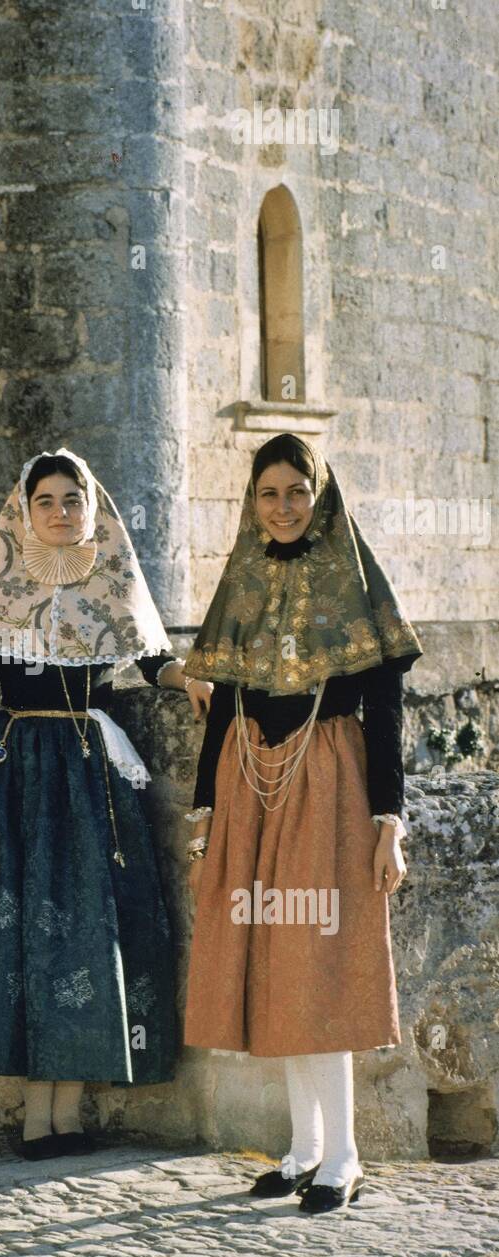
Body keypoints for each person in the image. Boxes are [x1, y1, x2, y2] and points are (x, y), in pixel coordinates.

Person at [0, 448, 208, 1160]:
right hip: (18, 776)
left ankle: (69, 1115)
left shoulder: (112, 585)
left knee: (87, 931)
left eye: (71, 500)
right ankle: (34, 1119)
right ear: (24, 510)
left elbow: (150, 658)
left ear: (91, 507)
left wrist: (190, 682)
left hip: (92, 781)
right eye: (46, 500)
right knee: (26, 936)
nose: (60, 513)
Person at [182, 432, 422, 1212]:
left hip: (328, 780)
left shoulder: (351, 583)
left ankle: (343, 1156)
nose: (281, 508)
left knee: (317, 959)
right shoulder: (242, 579)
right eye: (267, 494)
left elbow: (384, 707)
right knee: (272, 961)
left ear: (317, 497)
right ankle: (301, 1149)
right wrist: (205, 812)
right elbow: (222, 700)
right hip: (251, 781)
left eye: (295, 492)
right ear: (251, 504)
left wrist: (390, 817)